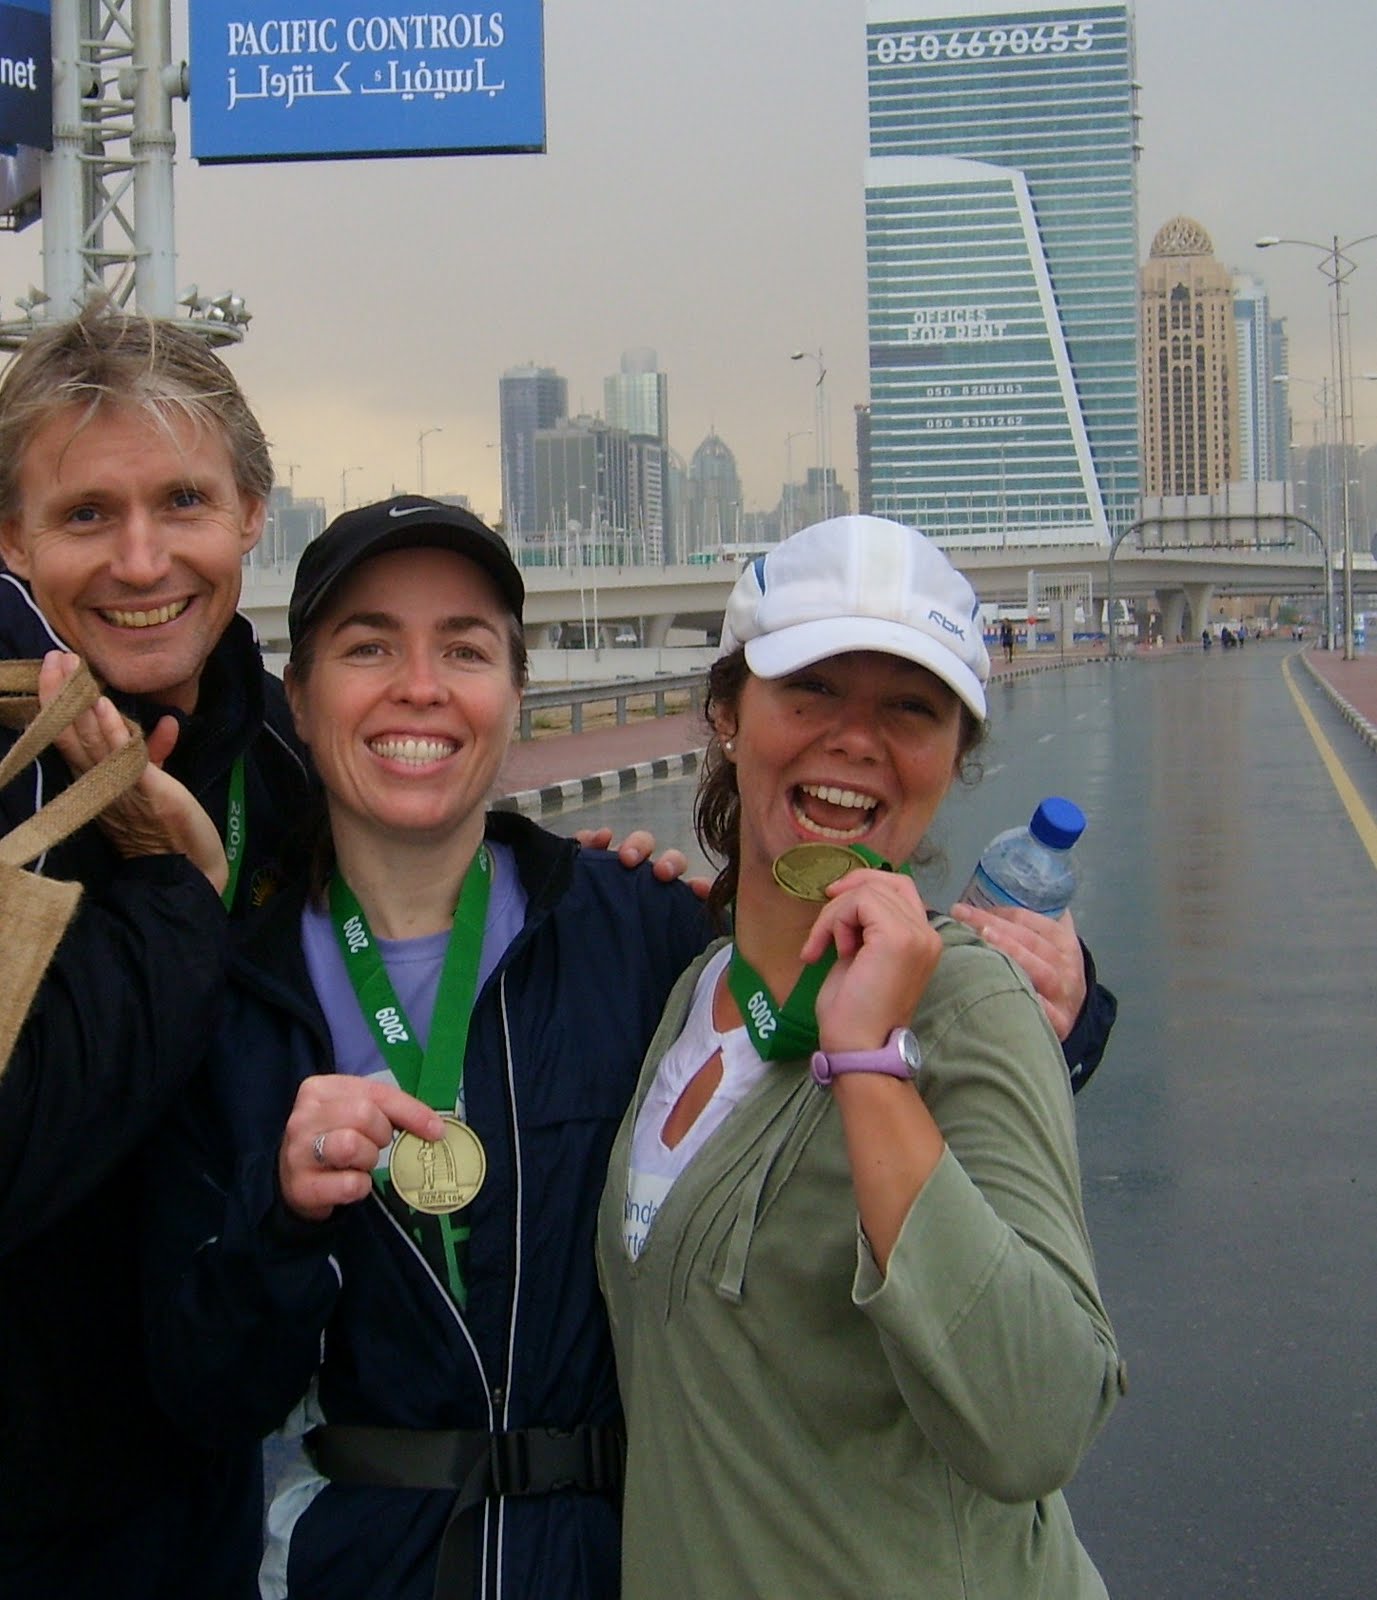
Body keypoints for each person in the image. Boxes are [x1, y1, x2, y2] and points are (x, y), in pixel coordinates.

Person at [142, 501, 713, 1599]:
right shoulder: (231, 1002)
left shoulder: (639, 931)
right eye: (369, 647)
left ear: (515, 691)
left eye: (465, 648)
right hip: (363, 1566)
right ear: (299, 697)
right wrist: (283, 1219)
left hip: (626, 1560)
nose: (420, 686)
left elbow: (828, 1065)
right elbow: (203, 1394)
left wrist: (1050, 1015)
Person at [596, 516, 1124, 1598]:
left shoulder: (969, 1006)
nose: (856, 739)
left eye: (910, 709)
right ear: (727, 715)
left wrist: (871, 1063)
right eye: (813, 690)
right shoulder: (690, 997)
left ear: (952, 756)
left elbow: (1038, 1421)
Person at [0, 309, 309, 1596]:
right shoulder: (13, 772)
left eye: (183, 500)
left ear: (250, 514)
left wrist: (615, 891)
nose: (142, 560)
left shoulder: (278, 750)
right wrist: (174, 891)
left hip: (206, 1482)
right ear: (11, 539)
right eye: (86, 514)